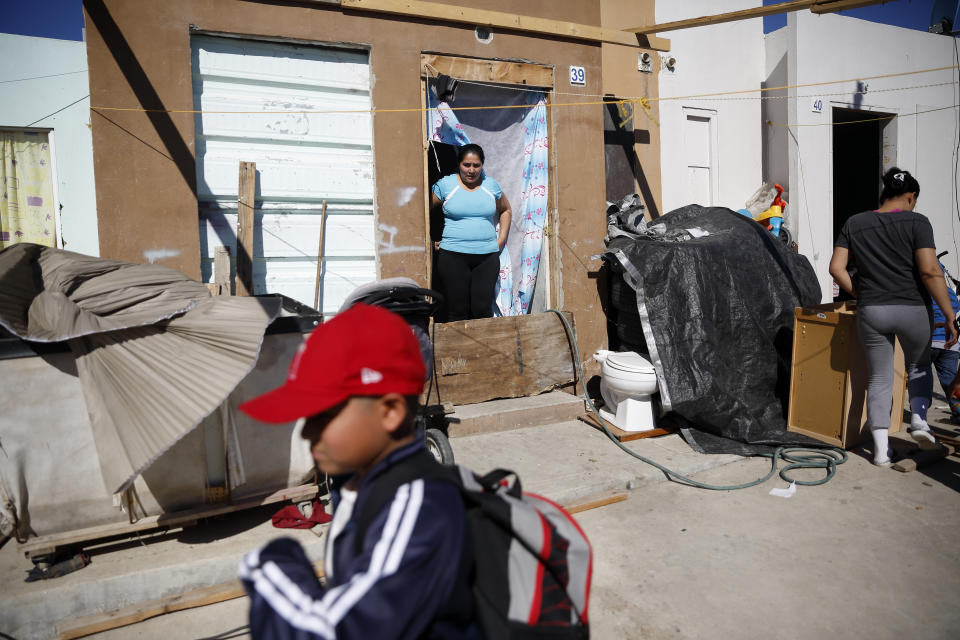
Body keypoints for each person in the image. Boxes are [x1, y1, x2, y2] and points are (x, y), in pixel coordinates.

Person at [237, 303, 478, 639]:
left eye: (323, 415)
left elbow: (331, 632)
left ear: (390, 411)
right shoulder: (362, 487)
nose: (307, 434)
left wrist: (273, 564)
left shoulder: (422, 508)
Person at [829, 167, 959, 466]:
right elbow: (929, 270)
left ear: (885, 194)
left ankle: (880, 451)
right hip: (913, 309)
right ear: (911, 197)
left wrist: (862, 295)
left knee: (879, 378)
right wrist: (950, 315)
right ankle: (920, 422)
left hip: (873, 311)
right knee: (918, 367)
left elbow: (836, 268)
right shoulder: (918, 222)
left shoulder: (855, 222)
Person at [431, 143, 511, 321]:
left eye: (476, 165)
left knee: (482, 310)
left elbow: (506, 210)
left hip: (486, 257)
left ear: (482, 165)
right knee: (457, 310)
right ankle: (457, 350)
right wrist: (430, 239)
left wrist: (501, 239)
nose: (471, 170)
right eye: (466, 165)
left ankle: (483, 349)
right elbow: (422, 209)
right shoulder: (446, 185)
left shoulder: (491, 186)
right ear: (459, 164)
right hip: (453, 256)